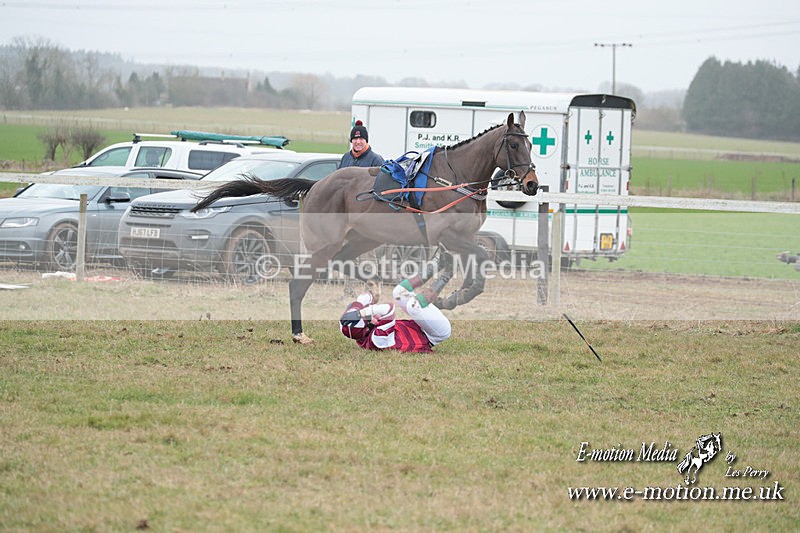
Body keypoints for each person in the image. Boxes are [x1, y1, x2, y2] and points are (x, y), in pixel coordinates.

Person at [340, 247, 454, 352]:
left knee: (398, 292)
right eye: (367, 319)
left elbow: (364, 299)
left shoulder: (361, 330)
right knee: (413, 306)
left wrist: (368, 298)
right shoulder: (376, 339)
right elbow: (389, 309)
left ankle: (437, 263)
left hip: (422, 324)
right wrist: (362, 313)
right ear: (366, 330)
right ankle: (448, 273)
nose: (370, 317)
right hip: (435, 334)